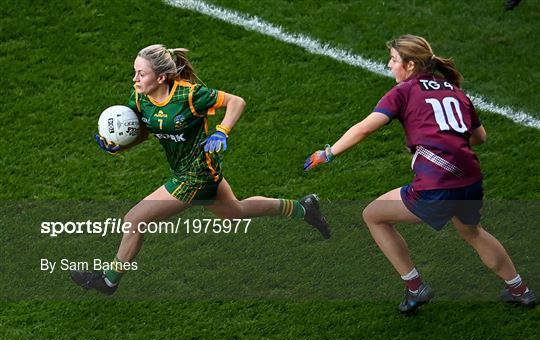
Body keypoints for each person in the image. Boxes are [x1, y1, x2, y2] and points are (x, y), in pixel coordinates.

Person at [71, 44, 330, 295]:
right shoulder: (140, 98)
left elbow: (236, 102)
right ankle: (304, 208)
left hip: (196, 175)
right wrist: (118, 147)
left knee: (134, 220)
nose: (135, 78)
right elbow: (143, 132)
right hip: (189, 171)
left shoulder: (190, 96)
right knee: (235, 212)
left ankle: (109, 281)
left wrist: (222, 131)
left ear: (161, 77)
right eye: (135, 71)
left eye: (141, 73)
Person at [304, 34, 536, 313]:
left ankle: (416, 288)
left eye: (393, 60)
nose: (390, 66)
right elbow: (479, 137)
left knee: (373, 215)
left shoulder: (403, 91)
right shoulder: (454, 90)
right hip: (471, 179)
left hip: (437, 184)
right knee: (472, 231)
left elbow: (365, 127)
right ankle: (520, 290)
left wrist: (327, 153)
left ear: (411, 65)